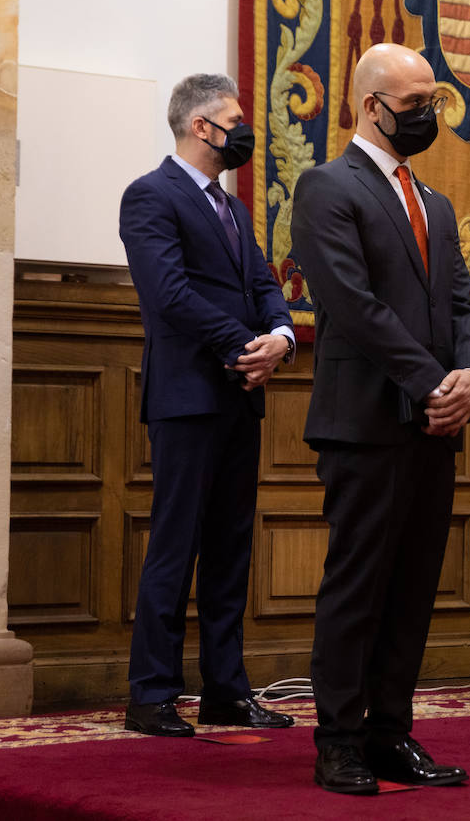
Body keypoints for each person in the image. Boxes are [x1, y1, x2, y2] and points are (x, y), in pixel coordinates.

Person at [290, 43, 470, 795]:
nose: (429, 116)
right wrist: (434, 381)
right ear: (372, 106)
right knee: (359, 587)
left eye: (434, 101)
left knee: (412, 588)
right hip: (367, 422)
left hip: (434, 423)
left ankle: (390, 735)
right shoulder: (326, 187)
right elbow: (351, 304)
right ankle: (338, 740)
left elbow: (465, 303)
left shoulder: (433, 202)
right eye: (415, 105)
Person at [118, 73, 296, 737]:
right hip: (189, 397)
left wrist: (278, 337)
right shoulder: (150, 195)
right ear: (202, 126)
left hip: (239, 395)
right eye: (235, 119)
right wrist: (242, 342)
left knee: (229, 549)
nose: (243, 131)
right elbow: (166, 294)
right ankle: (152, 693)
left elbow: (262, 281)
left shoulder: (234, 208)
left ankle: (226, 689)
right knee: (175, 544)